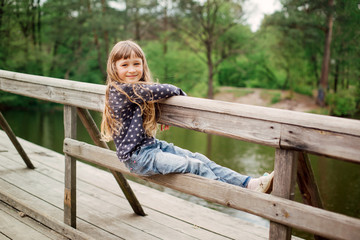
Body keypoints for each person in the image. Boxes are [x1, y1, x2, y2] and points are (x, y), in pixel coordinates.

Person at [101, 40, 274, 193]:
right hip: (138, 158)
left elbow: (145, 99)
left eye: (136, 64)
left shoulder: (135, 91)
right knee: (194, 165)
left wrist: (158, 114)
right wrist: (180, 93)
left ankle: (249, 184)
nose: (132, 69)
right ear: (114, 67)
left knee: (199, 158)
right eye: (124, 65)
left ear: (142, 65)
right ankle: (237, 196)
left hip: (152, 147)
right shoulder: (121, 90)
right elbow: (165, 89)